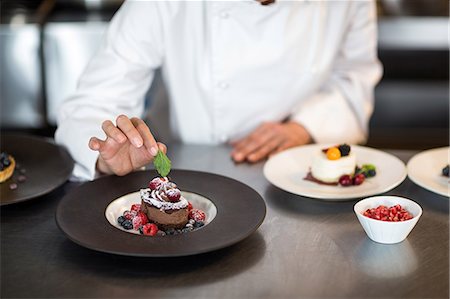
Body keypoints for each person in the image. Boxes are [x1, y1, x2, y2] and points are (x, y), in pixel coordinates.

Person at [55, 0, 382, 181]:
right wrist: (108, 154)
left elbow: (354, 77)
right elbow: (94, 103)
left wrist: (306, 126)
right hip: (190, 179)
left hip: (300, 178)